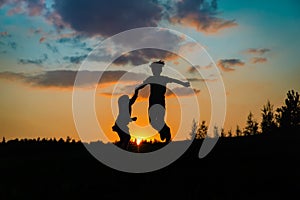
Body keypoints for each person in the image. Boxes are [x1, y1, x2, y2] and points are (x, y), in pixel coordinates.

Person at [134, 60, 190, 143]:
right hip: (152, 103)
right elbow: (143, 85)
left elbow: (174, 80)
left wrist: (184, 84)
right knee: (152, 122)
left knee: (160, 120)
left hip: (160, 103)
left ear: (160, 70)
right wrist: (137, 89)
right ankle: (163, 131)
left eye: (156, 69)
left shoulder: (163, 79)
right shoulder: (151, 78)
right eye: (153, 70)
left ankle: (166, 131)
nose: (154, 71)